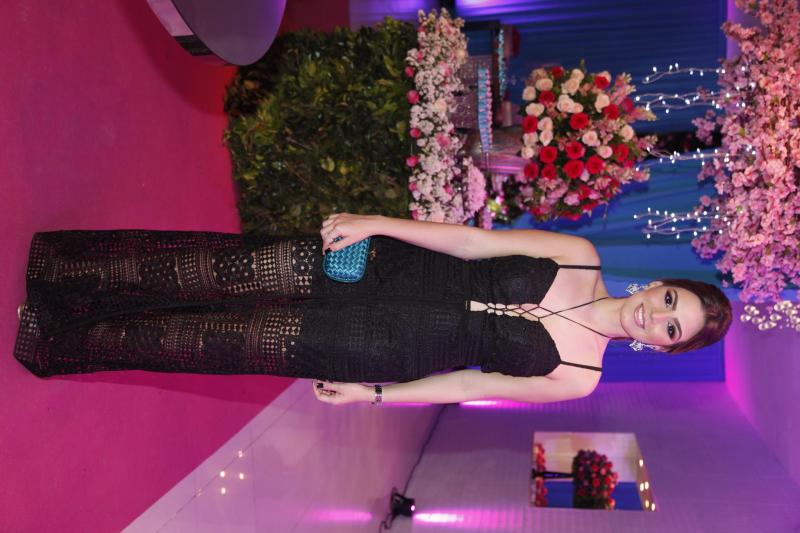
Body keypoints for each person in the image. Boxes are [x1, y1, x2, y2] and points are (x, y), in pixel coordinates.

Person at [14, 213, 731, 407]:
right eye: (670, 300)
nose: (655, 315)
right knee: (215, 266)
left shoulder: (580, 377)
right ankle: (63, 270)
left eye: (672, 329)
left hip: (373, 345)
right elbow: (472, 241)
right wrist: (376, 222)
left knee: (205, 338)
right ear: (658, 284)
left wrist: (375, 394)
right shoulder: (577, 254)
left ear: (664, 348)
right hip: (384, 264)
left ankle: (57, 336)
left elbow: (469, 383)